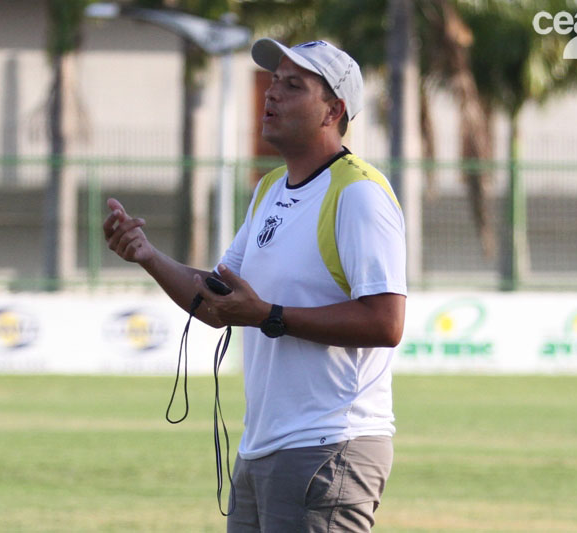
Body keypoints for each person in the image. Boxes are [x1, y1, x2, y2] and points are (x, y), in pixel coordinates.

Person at [103, 38, 406, 532]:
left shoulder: (359, 194)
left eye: (292, 85)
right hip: (263, 447)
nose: (270, 95)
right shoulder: (269, 188)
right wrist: (148, 256)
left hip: (329, 447)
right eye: (272, 81)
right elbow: (221, 301)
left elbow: (386, 322)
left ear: (334, 110)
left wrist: (269, 315)